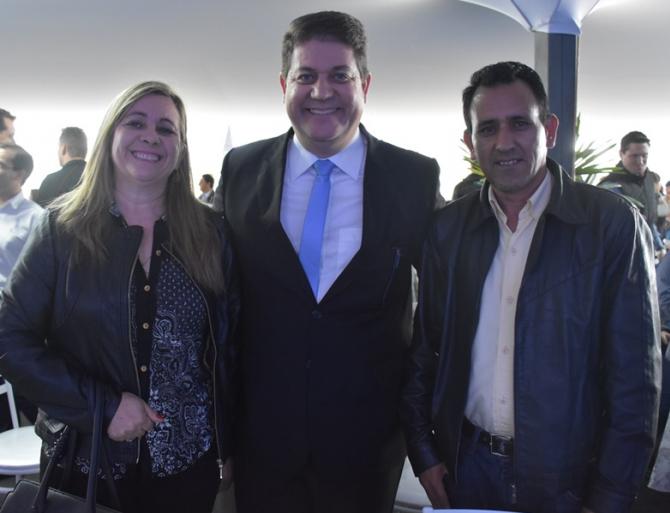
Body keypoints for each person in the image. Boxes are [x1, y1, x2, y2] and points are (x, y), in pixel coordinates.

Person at [401, 61, 661, 513]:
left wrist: (610, 498)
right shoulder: (448, 230)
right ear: (470, 142)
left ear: (551, 130)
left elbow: (635, 384)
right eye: (488, 128)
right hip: (467, 468)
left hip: (569, 480)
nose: (504, 142)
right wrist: (424, 454)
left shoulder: (612, 225)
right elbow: (426, 350)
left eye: (520, 123)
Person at [215, 10, 440, 513]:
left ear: (365, 84)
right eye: (306, 76)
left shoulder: (413, 178)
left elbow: (443, 311)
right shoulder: (241, 170)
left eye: (340, 75)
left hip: (367, 445)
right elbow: (219, 302)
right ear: (284, 85)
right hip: (262, 441)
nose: (321, 92)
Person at [0, 81, 239, 513]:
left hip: (189, 466)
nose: (151, 136)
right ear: (110, 134)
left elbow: (229, 347)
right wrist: (103, 407)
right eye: (136, 123)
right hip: (85, 465)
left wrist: (230, 443)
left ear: (181, 148)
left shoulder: (211, 233)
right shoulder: (61, 230)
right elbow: (9, 338)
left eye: (166, 128)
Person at [0, 142, 42, 430]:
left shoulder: (34, 218)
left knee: (24, 401)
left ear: (20, 174)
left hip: (14, 324)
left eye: (1, 165)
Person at [599, 131, 658, 233]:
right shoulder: (609, 187)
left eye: (644, 155)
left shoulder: (650, 180)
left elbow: (650, 224)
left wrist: (658, 242)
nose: (640, 162)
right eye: (634, 156)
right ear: (621, 154)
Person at [36, 126, 88, 207]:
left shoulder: (50, 181)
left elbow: (41, 214)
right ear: (85, 150)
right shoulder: (101, 177)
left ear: (63, 148)